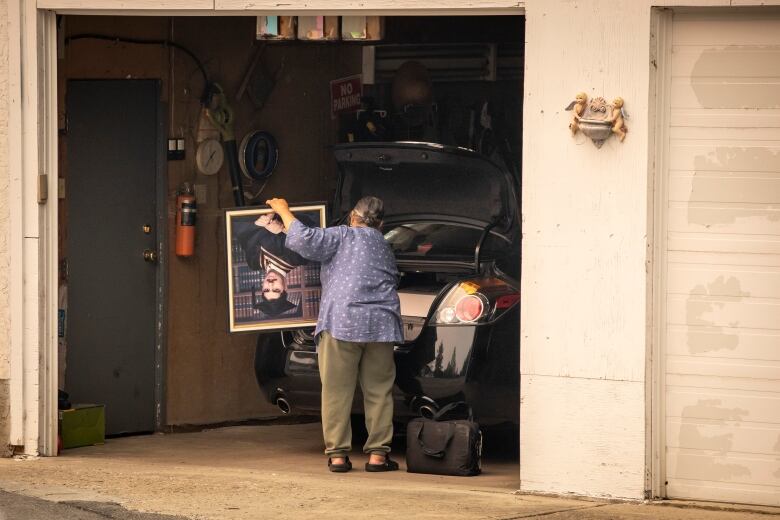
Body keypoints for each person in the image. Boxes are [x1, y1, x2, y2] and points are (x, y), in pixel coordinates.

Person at [265, 195, 403, 473]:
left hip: (343, 322)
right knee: (379, 391)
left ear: (352, 217)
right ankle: (378, 456)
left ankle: (338, 456)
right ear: (381, 224)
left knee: (337, 392)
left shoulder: (341, 236)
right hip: (381, 324)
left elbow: (303, 240)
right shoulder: (384, 245)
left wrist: (283, 210)